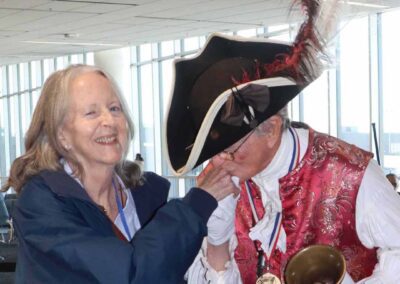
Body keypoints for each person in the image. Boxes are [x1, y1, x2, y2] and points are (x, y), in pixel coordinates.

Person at [164, 3, 400, 283]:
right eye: (213, 154)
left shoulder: (351, 174)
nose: (218, 164)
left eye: (228, 151)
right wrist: (217, 244)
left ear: (272, 129)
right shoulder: (217, 187)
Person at [1, 64, 239, 283]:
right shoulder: (42, 203)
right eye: (91, 113)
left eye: (114, 108)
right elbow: (128, 276)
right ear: (62, 134)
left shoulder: (146, 194)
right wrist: (197, 203)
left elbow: (166, 269)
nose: (109, 120)